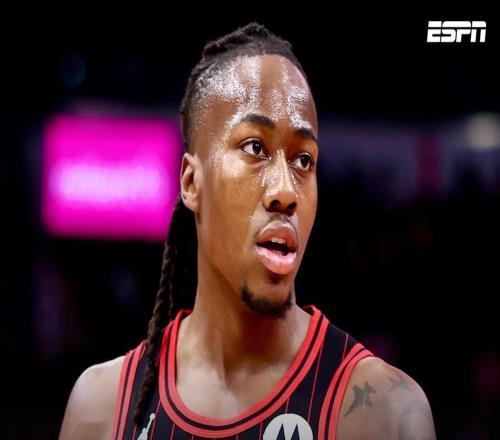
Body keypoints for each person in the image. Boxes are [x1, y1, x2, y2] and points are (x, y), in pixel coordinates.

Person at [59, 22, 436, 439]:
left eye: (304, 160)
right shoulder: (101, 408)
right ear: (191, 182)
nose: (286, 192)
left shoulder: (382, 412)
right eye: (255, 148)